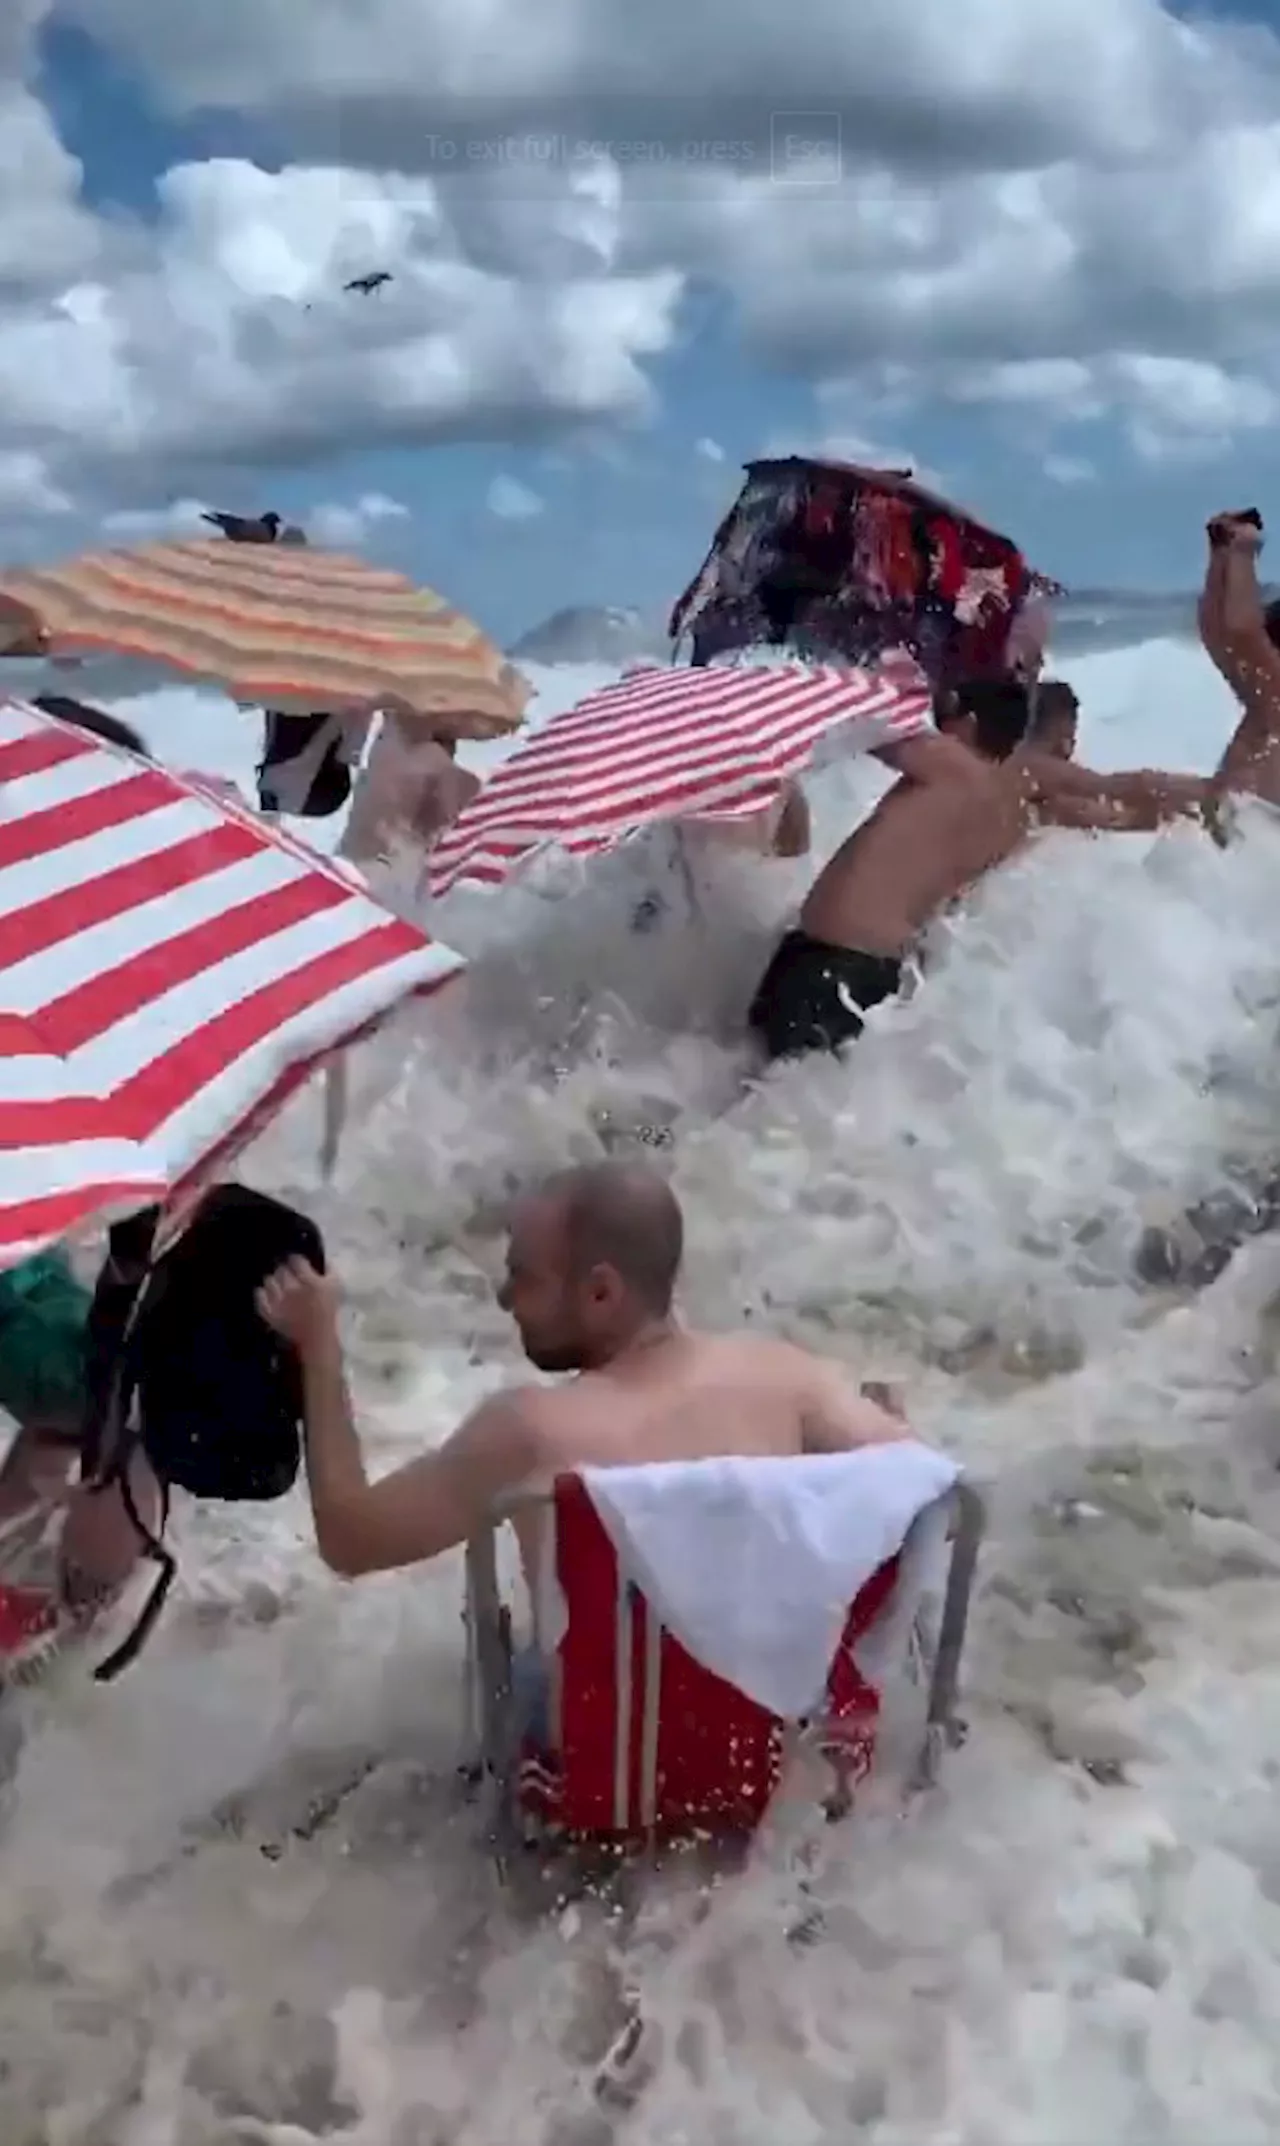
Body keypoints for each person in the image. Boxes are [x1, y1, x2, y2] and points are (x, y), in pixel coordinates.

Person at [257, 1161, 909, 1737]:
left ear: (601, 1293)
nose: (505, 1297)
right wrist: (885, 1418)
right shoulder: (787, 1379)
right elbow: (918, 1485)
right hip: (766, 1748)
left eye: (524, 1278)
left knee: (508, 1666)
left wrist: (318, 1344)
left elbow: (350, 1539)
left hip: (603, 1776)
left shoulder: (529, 1432)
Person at [747, 678, 1219, 1062]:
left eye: (945, 717)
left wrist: (765, 700)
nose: (938, 726)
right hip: (874, 976)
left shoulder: (954, 768)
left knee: (756, 1116)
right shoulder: (1012, 816)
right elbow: (1118, 803)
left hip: (827, 965)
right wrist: (1216, 803)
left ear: (967, 724)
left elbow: (860, 723)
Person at [1198, 507, 1280, 806]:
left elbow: (1241, 632)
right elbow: (1217, 634)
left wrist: (1242, 552)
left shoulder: (1272, 699)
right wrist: (1222, 552)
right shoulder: (1264, 703)